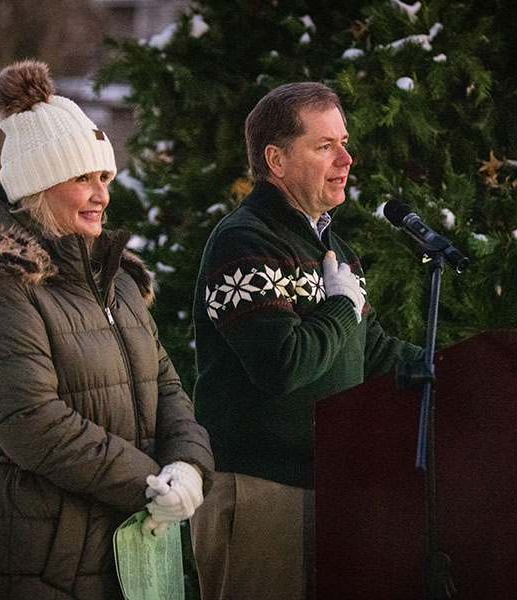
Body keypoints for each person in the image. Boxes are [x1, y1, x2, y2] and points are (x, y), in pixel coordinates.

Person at [0, 60, 213, 599]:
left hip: (128, 547)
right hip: (43, 554)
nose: (101, 194)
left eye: (104, 177)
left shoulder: (119, 281)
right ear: (38, 186)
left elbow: (168, 386)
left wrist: (188, 464)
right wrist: (148, 483)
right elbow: (28, 419)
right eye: (81, 178)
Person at [190, 81, 423, 599]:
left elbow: (374, 351)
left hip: (329, 491)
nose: (346, 158)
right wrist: (340, 305)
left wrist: (459, 368)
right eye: (325, 146)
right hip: (259, 493)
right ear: (276, 158)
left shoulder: (333, 249)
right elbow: (282, 365)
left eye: (343, 142)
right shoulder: (244, 240)